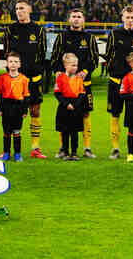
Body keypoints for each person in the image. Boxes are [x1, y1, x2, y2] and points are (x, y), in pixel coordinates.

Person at [51, 9, 99, 159]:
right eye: (73, 16)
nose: (76, 19)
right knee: (65, 115)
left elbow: (95, 59)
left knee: (85, 114)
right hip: (66, 85)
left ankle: (87, 148)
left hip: (84, 85)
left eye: (79, 17)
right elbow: (54, 57)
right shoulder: (62, 37)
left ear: (83, 20)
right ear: (69, 19)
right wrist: (58, 71)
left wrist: (85, 70)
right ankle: (63, 148)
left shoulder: (89, 38)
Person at [4, 0, 47, 159]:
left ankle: (35, 148)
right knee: (12, 114)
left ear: (29, 10)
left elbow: (42, 54)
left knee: (35, 111)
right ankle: (9, 149)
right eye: (16, 9)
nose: (19, 11)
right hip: (15, 80)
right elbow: (7, 54)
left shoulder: (38, 30)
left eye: (22, 8)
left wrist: (38, 71)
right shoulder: (10, 30)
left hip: (34, 80)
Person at [104, 6, 133, 160]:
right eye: (127, 17)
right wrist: (115, 71)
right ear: (122, 18)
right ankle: (115, 148)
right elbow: (107, 55)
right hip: (116, 82)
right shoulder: (114, 34)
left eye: (132, 18)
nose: (130, 20)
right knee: (115, 114)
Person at [0, 52, 30, 162]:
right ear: (7, 63)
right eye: (11, 61)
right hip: (6, 107)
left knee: (16, 131)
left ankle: (17, 153)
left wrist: (25, 110)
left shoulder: (24, 79)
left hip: (18, 107)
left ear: (19, 64)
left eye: (16, 62)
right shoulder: (2, 78)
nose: (13, 64)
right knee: (6, 131)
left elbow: (26, 96)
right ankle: (6, 152)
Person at [54, 53, 86, 161]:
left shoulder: (79, 79)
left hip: (76, 108)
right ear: (65, 65)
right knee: (65, 132)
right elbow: (57, 93)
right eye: (72, 65)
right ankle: (66, 152)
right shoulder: (60, 78)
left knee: (74, 132)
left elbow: (82, 94)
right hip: (64, 107)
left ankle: (74, 152)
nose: (75, 68)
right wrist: (66, 104)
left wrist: (75, 105)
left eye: (76, 65)